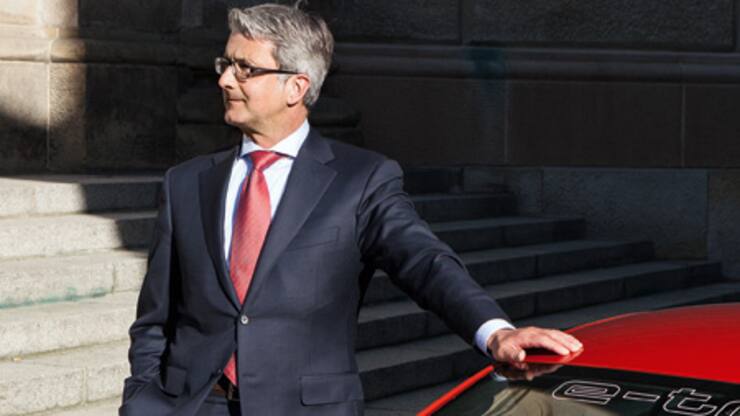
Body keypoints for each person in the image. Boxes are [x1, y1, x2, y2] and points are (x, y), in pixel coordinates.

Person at [120, 4, 582, 416]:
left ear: (296, 86)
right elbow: (156, 317)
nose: (225, 80)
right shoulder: (186, 183)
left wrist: (495, 332)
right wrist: (142, 401)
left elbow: (423, 261)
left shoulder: (360, 180)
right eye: (225, 64)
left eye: (245, 69)